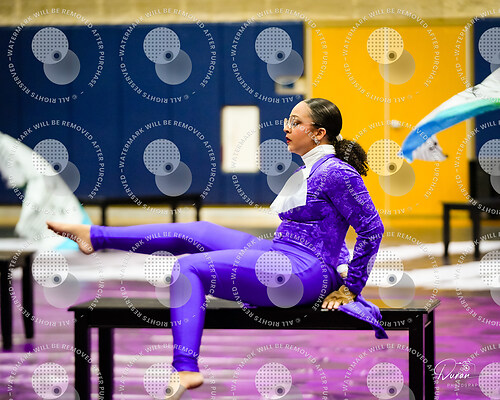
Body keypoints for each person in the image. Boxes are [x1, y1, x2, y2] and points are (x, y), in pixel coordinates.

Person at [47, 98, 386, 399]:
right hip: (282, 252)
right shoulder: (314, 168)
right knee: (198, 231)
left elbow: (372, 228)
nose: (286, 127)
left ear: (318, 133)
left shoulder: (337, 173)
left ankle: (185, 368)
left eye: (296, 122)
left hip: (303, 272)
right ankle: (96, 237)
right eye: (288, 120)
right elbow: (330, 228)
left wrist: (350, 288)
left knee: (189, 268)